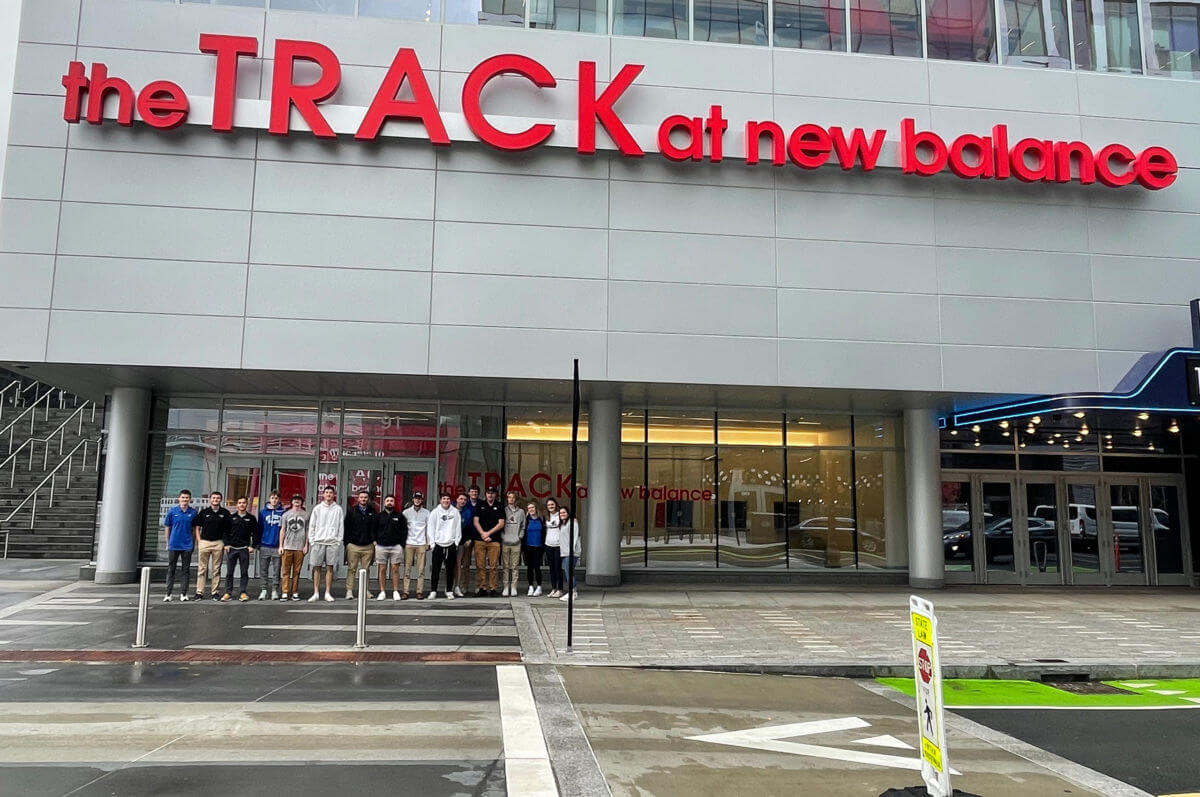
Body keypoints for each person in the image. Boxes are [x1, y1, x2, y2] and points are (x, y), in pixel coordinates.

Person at [307, 485, 344, 602]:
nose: (328, 494)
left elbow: (340, 526)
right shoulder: (317, 508)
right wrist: (312, 540)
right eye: (326, 492)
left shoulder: (338, 509)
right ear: (323, 494)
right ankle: (316, 592)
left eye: (330, 492)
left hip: (332, 542)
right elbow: (312, 525)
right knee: (316, 567)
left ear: (334, 495)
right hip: (318, 542)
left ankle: (327, 592)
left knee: (330, 567)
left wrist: (338, 541)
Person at [192, 491, 231, 601]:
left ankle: (215, 592)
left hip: (218, 543)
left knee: (216, 569)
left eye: (218, 498)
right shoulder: (204, 512)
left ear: (221, 500)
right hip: (205, 542)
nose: (215, 500)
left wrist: (225, 543)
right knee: (202, 569)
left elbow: (227, 530)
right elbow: (197, 527)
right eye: (213, 498)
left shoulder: (225, 513)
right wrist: (199, 541)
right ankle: (199, 592)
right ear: (210, 499)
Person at [162, 489, 197, 602]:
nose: (185, 499)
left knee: (185, 570)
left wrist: (193, 543)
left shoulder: (193, 512)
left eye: (187, 498)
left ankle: (183, 593)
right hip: (174, 545)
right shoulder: (172, 511)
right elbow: (167, 527)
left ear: (190, 499)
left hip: (187, 545)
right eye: (183, 497)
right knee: (171, 569)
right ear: (179, 498)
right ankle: (168, 593)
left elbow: (195, 529)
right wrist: (167, 542)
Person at [222, 496, 257, 602]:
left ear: (247, 505)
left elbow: (255, 533)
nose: (242, 504)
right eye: (240, 502)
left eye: (244, 503)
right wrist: (226, 544)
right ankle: (228, 592)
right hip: (232, 548)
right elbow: (225, 532)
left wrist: (252, 546)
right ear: (237, 505)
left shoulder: (251, 518)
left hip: (244, 549)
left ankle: (243, 592)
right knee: (229, 572)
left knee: (244, 572)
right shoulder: (231, 518)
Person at [343, 489, 377, 600]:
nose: (363, 499)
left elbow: (375, 528)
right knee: (352, 568)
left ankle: (365, 590)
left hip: (368, 546)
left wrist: (374, 540)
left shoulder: (372, 511)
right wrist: (347, 543)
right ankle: (349, 591)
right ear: (358, 499)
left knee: (366, 570)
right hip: (353, 545)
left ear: (368, 499)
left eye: (365, 497)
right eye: (361, 497)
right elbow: (346, 527)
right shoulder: (352, 511)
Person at [428, 492, 461, 600]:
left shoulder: (455, 512)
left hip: (451, 545)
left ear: (450, 500)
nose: (446, 501)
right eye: (443, 499)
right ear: (440, 500)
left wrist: (456, 542)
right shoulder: (435, 512)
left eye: (447, 499)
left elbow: (458, 528)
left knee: (450, 570)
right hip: (438, 545)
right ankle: (433, 591)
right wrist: (432, 544)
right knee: (436, 570)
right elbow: (430, 529)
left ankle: (449, 591)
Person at [374, 494, 407, 601]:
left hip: (395, 547)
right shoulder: (378, 516)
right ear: (384, 503)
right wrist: (375, 541)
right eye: (387, 500)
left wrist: (401, 544)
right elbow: (373, 530)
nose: (389, 502)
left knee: (395, 569)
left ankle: (395, 591)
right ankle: (382, 591)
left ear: (394, 503)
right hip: (381, 546)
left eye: (391, 501)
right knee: (382, 569)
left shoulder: (400, 516)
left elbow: (404, 531)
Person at [473, 486, 504, 597]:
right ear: (485, 494)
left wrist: (488, 534)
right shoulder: (480, 504)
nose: (490, 495)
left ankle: (493, 588)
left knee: (493, 566)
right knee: (480, 565)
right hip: (479, 539)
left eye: (492, 493)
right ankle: (482, 587)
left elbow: (501, 523)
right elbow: (476, 521)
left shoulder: (499, 505)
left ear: (496, 494)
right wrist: (483, 534)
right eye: (488, 492)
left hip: (494, 540)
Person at [401, 491, 432, 599]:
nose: (417, 500)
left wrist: (428, 542)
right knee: (407, 569)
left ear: (422, 500)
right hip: (409, 543)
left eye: (419, 498)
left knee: (421, 570)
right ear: (413, 499)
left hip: (421, 544)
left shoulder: (427, 513)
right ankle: (406, 591)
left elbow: (429, 529)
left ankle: (419, 591)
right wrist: (403, 541)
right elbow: (402, 529)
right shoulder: (406, 513)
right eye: (416, 498)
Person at [257, 491, 286, 601]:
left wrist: (281, 545)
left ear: (279, 500)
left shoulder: (283, 513)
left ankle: (274, 590)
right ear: (269, 499)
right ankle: (264, 590)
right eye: (272, 498)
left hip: (277, 546)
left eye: (276, 498)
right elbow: (259, 528)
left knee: (276, 570)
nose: (274, 500)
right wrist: (258, 543)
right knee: (263, 569)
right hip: (264, 544)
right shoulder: (263, 512)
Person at [279, 494, 308, 601]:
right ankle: (285, 592)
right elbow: (282, 530)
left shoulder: (306, 515)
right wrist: (281, 545)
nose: (297, 502)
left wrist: (306, 545)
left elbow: (307, 531)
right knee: (285, 571)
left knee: (297, 571)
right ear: (291, 502)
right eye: (295, 500)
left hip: (300, 547)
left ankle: (295, 592)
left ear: (302, 502)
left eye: (299, 500)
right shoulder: (285, 515)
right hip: (287, 546)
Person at [454, 487, 479, 598]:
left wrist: (470, 539)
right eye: (461, 499)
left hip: (470, 539)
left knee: (466, 564)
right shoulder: (454, 510)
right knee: (455, 564)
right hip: (454, 541)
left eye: (476, 492)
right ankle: (453, 585)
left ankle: (464, 586)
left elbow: (470, 526)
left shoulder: (471, 510)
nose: (462, 501)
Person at [501, 491, 526, 597]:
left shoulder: (521, 512)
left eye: (513, 497)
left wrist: (519, 537)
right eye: (509, 497)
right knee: (506, 566)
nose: (511, 499)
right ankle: (506, 587)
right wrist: (503, 537)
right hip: (505, 542)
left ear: (516, 499)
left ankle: (514, 587)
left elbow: (523, 526)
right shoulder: (503, 510)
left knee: (515, 566)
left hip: (516, 542)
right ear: (507, 499)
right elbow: (500, 525)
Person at [557, 505, 582, 601]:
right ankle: (572, 591)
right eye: (560, 513)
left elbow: (575, 538)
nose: (562, 514)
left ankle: (573, 592)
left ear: (568, 513)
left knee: (569, 572)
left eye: (564, 512)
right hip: (565, 552)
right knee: (567, 571)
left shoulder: (573, 522)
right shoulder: (562, 524)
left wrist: (571, 551)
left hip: (571, 552)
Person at [523, 501, 545, 597]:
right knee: (529, 568)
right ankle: (531, 586)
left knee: (537, 567)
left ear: (536, 508)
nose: (531, 509)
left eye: (532, 507)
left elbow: (544, 533)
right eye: (529, 508)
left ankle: (539, 586)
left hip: (538, 547)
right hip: (528, 547)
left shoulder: (541, 519)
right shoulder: (526, 520)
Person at [543, 497, 563, 597]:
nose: (550, 506)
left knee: (557, 567)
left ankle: (560, 589)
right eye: (549, 505)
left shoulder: (560, 515)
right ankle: (553, 588)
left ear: (556, 504)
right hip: (548, 544)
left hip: (558, 545)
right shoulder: (546, 516)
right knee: (551, 568)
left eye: (552, 504)